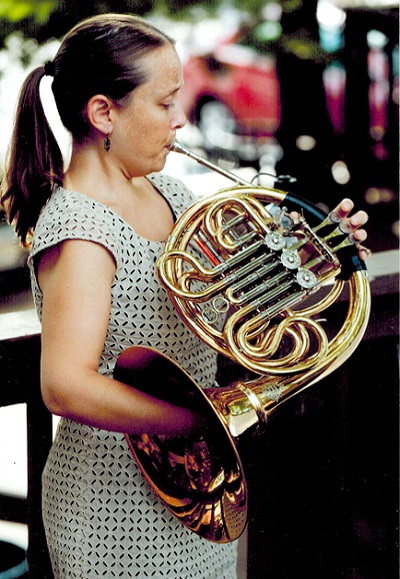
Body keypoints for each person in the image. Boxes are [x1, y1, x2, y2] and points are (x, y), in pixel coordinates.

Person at [0, 13, 370, 579]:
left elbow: (224, 311)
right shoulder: (79, 229)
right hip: (109, 506)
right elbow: (65, 385)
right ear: (104, 113)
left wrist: (312, 262)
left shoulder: (170, 192)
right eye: (165, 103)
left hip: (193, 490)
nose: (181, 119)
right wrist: (196, 424)